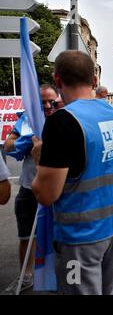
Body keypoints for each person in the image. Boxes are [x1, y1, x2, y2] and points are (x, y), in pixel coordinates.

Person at [31, 50, 113, 295]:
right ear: (94, 80)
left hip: (82, 235)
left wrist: (39, 156)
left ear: (57, 80)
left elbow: (45, 194)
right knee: (108, 289)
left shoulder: (63, 121)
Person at [1, 84, 57, 294]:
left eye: (51, 100)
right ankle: (26, 275)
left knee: (58, 236)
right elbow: (7, 145)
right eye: (42, 102)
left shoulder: (66, 120)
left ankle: (59, 277)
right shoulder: (27, 120)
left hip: (56, 190)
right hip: (28, 189)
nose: (48, 105)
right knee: (26, 236)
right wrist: (24, 142)